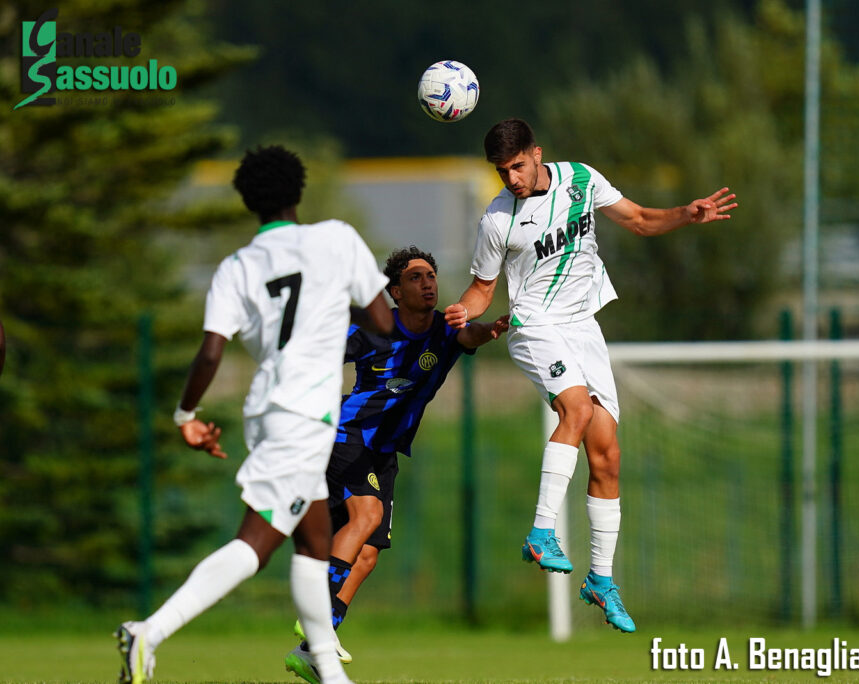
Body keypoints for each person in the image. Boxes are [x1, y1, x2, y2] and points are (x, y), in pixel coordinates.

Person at [444, 118, 737, 633]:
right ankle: (542, 532)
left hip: (583, 327)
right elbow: (483, 289)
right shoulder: (497, 219)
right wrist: (462, 311)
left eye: (517, 166)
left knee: (607, 454)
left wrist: (686, 214)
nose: (511, 178)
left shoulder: (580, 178)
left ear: (537, 154)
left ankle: (601, 579)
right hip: (533, 325)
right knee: (576, 411)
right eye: (501, 171)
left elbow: (640, 219)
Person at [115, 145, 393, 684]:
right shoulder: (335, 239)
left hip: (268, 411)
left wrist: (186, 414)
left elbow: (210, 352)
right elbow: (382, 321)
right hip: (303, 416)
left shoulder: (237, 266)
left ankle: (328, 670)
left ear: (248, 201)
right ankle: (149, 630)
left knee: (314, 542)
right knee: (256, 543)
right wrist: (334, 300)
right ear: (298, 191)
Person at [286, 246, 509, 682]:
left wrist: (492, 329)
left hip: (385, 451)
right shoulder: (374, 327)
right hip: (348, 436)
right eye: (415, 278)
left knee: (368, 555)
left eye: (431, 276)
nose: (427, 284)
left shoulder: (444, 329)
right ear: (395, 292)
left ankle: (311, 651)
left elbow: (469, 336)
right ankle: (317, 616)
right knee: (366, 515)